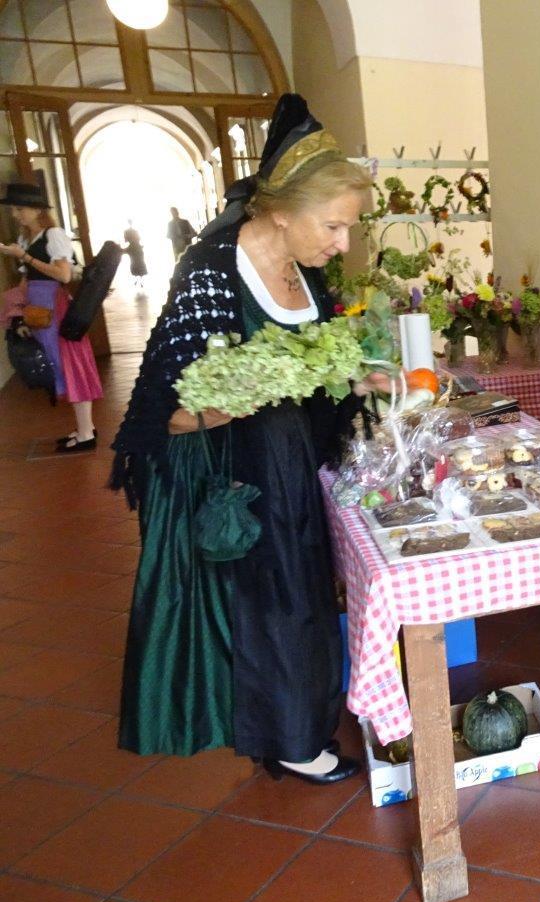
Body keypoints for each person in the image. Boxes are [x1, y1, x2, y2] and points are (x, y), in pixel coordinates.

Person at [110, 94, 376, 784]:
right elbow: (167, 409)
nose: (342, 243)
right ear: (282, 210)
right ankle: (290, 739)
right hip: (237, 472)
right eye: (334, 225)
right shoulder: (210, 271)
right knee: (268, 605)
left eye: (348, 227)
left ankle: (295, 724)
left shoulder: (304, 269)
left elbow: (321, 366)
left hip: (292, 463)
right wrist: (233, 398)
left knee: (301, 592)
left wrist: (354, 378)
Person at [0, 182, 103, 453]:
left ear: (37, 210)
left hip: (53, 307)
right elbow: (26, 280)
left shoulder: (53, 235)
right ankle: (85, 428)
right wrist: (19, 314)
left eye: (20, 209)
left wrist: (25, 257)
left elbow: (64, 275)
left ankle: (86, 434)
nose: (16, 214)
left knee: (69, 364)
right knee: (59, 365)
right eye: (14, 209)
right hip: (39, 308)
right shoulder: (27, 238)